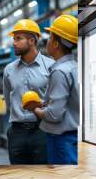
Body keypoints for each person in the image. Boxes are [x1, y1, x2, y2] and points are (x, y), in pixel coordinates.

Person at [3, 19, 55, 164]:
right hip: (16, 133)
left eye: (19, 38)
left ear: (32, 40)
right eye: (14, 39)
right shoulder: (8, 70)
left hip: (42, 131)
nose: (14, 42)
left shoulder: (51, 67)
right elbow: (8, 101)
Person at [31, 15, 79, 165]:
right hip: (72, 137)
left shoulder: (60, 72)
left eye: (50, 37)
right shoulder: (74, 67)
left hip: (61, 140)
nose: (48, 41)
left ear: (56, 44)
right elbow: (67, 102)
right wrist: (42, 102)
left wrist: (34, 109)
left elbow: (53, 115)